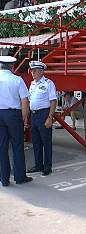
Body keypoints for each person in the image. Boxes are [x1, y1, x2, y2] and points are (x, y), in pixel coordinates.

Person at [0, 56, 33, 186]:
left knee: (1, 147)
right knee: (17, 146)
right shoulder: (17, 80)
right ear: (12, 67)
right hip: (13, 114)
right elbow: (24, 100)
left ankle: (4, 178)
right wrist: (25, 118)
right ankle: (20, 177)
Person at [27, 61, 57, 176]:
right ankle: (38, 165)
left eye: (35, 71)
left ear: (41, 71)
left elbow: (53, 101)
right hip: (34, 115)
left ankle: (47, 166)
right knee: (36, 141)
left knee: (46, 141)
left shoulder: (48, 83)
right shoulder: (32, 84)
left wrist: (50, 117)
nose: (32, 73)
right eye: (32, 71)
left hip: (44, 114)